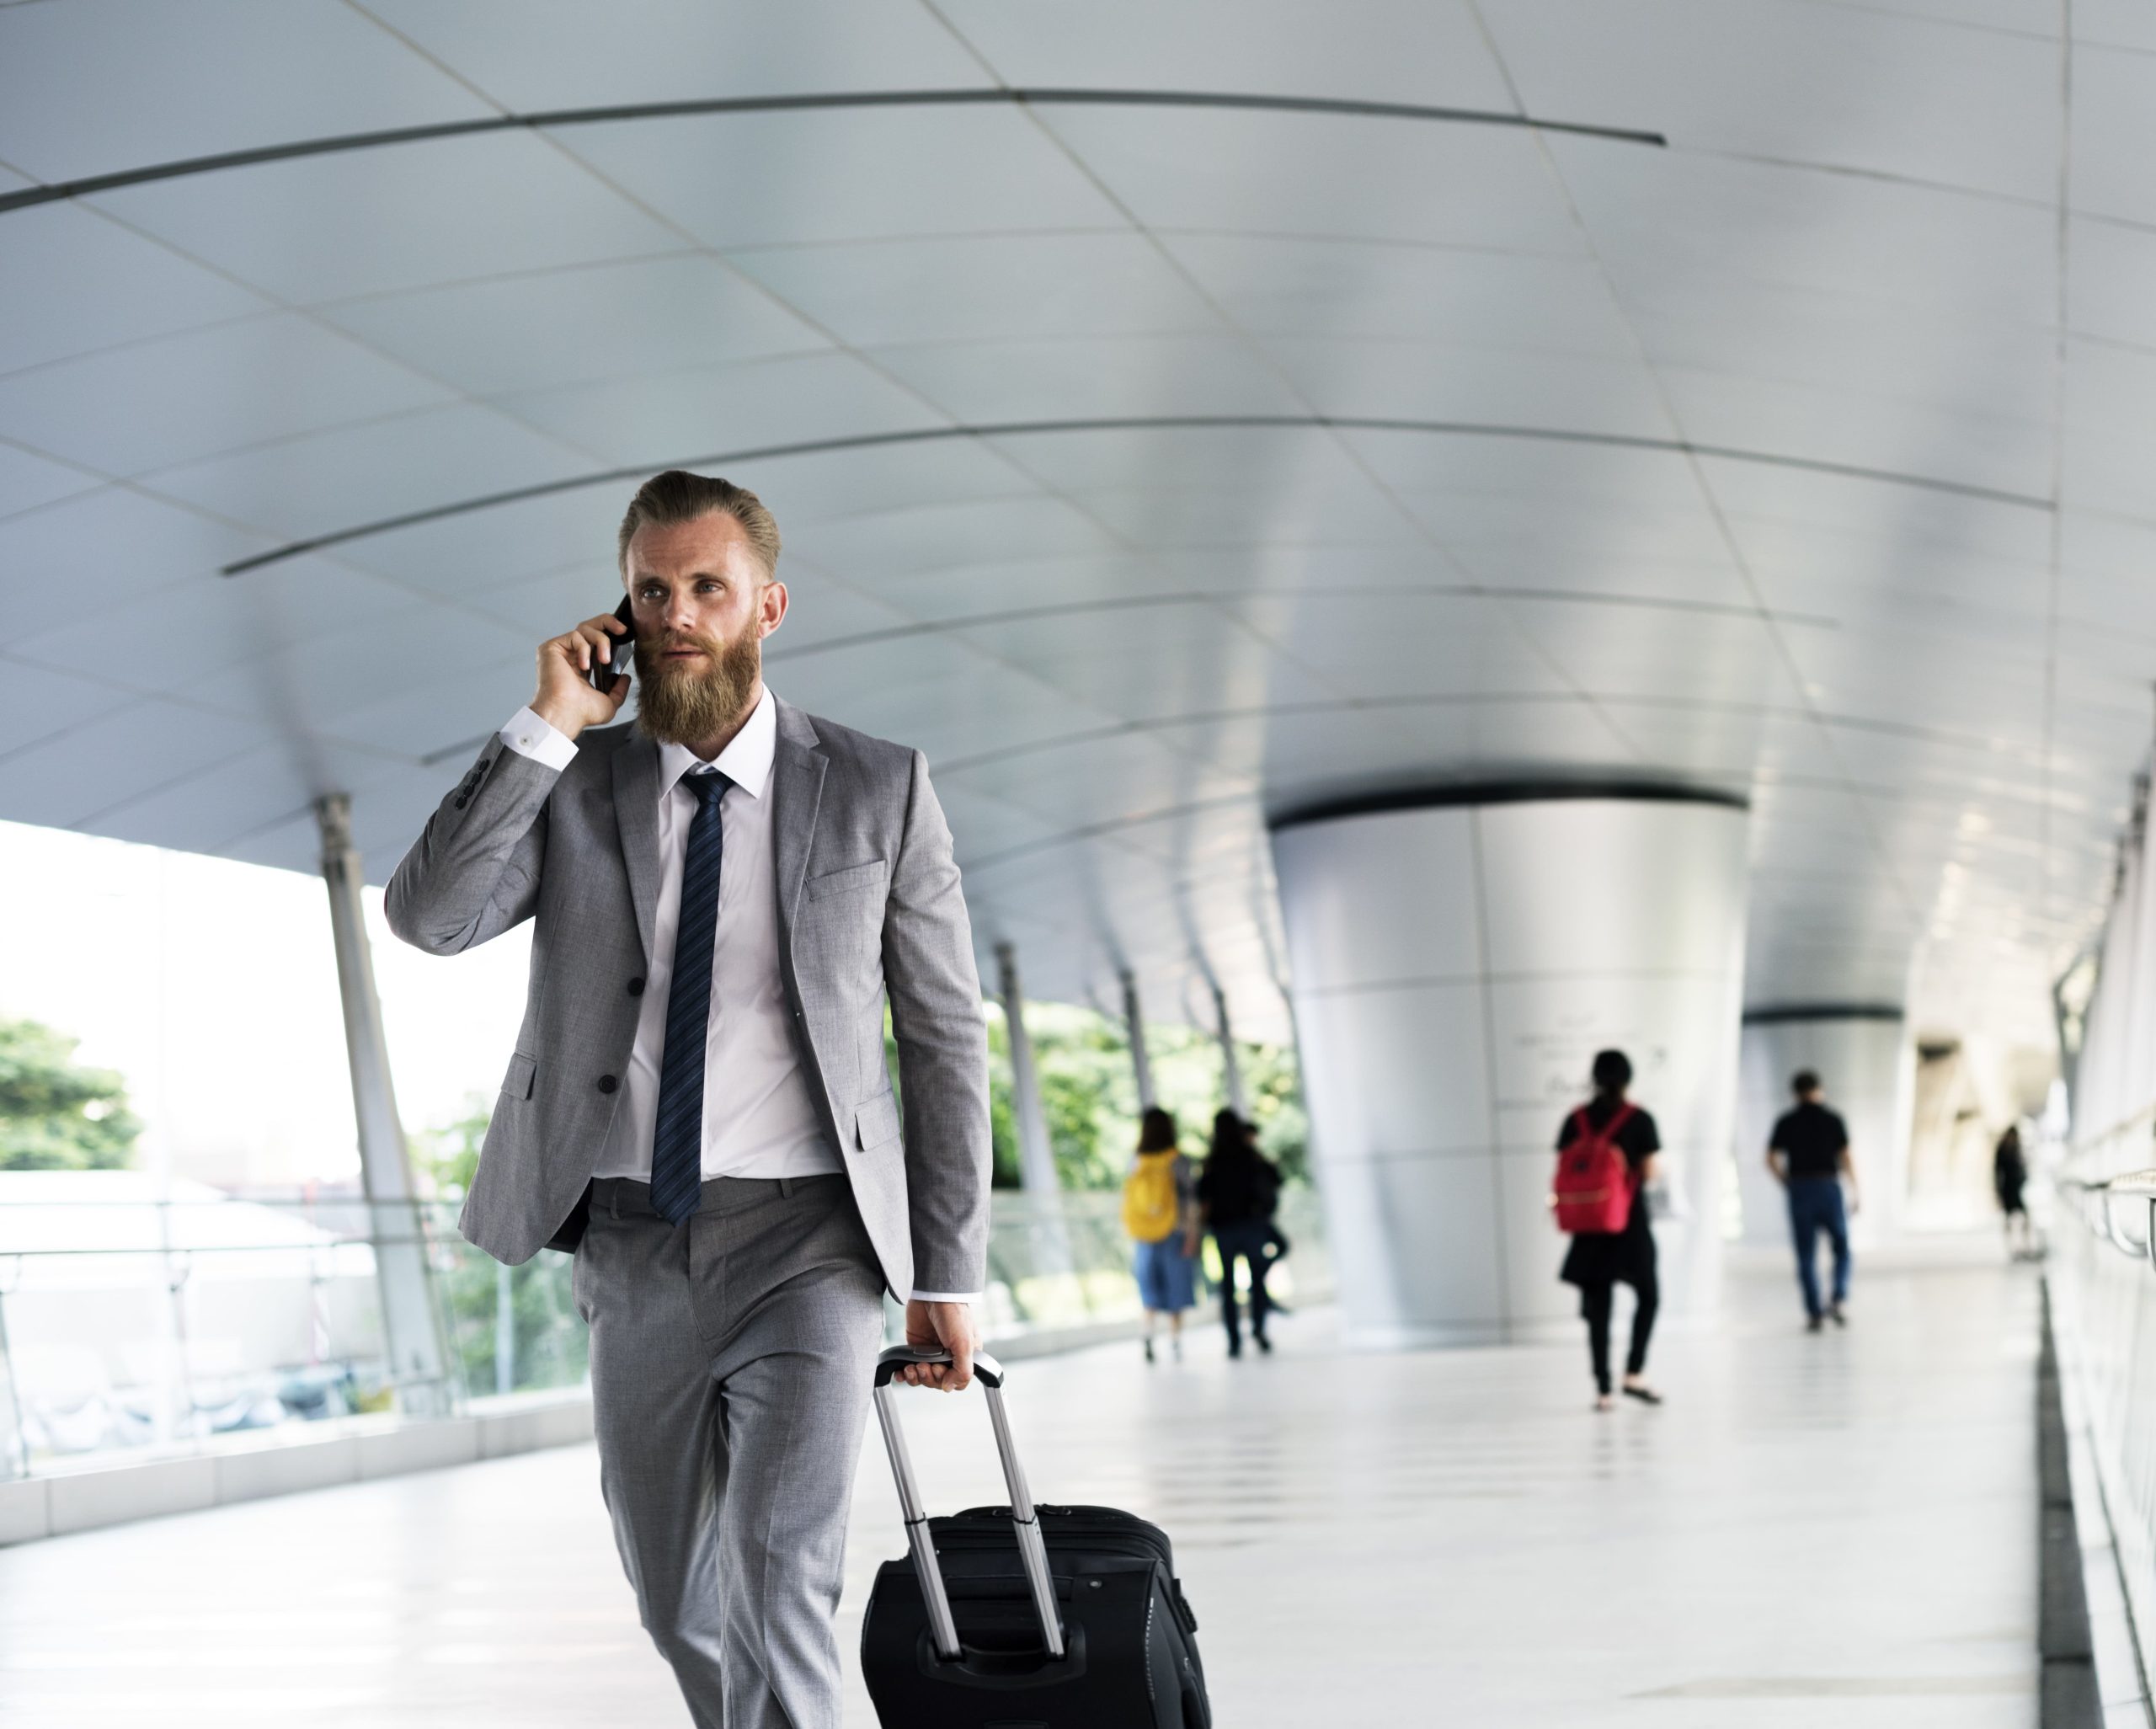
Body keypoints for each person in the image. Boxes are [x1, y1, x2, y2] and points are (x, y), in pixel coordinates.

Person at [385, 470, 990, 1729]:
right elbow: (430, 917)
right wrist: (547, 724)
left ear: (768, 605)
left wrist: (951, 1270)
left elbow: (941, 1038)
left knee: (783, 1586)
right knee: (680, 1603)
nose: (675, 613)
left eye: (705, 588)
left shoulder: (880, 786)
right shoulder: (575, 783)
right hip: (633, 1242)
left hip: (812, 1244)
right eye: (651, 589)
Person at [1557, 1049, 1663, 1411]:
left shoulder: (1576, 1120)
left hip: (1588, 1228)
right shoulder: (1639, 1119)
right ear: (1628, 1078)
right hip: (1628, 1222)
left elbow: (1567, 1167)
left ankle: (1603, 1390)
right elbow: (1649, 1173)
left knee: (1597, 1309)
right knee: (1648, 1296)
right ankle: (1633, 1373)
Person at [1768, 1070, 1858, 1331]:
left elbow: (1770, 1159)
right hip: (1828, 1185)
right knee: (1841, 1246)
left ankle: (1814, 1312)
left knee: (1805, 1254)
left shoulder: (1787, 1121)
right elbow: (1847, 1157)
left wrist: (1786, 1182)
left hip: (1800, 1187)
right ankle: (1839, 1298)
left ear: (1795, 1094)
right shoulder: (1833, 1119)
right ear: (1820, 1089)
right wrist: (1856, 1190)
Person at [1198, 1108, 1283, 1357]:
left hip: (1223, 1229)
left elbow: (1203, 1197)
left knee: (1228, 1286)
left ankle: (1234, 1340)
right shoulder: (1250, 1156)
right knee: (1257, 1281)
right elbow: (1275, 1179)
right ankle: (1259, 1329)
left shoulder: (1212, 1161)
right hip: (1252, 1225)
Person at [1123, 1107, 1199, 1361]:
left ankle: (1147, 1334)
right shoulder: (1178, 1160)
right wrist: (1192, 1234)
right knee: (1176, 1286)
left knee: (1149, 1288)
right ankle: (1175, 1341)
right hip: (1174, 1232)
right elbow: (1190, 1199)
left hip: (1144, 1234)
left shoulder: (1135, 1161)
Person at [1995, 1123, 2034, 1258]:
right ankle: (2011, 1247)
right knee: (2009, 1220)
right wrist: (1998, 1194)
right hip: (2007, 1190)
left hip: (2016, 1189)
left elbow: (2020, 1170)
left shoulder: (2015, 1149)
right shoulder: (2002, 1150)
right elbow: (1997, 1173)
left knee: (2025, 1218)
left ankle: (2025, 1245)